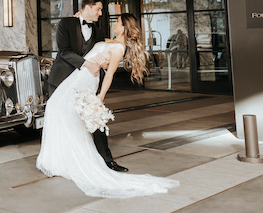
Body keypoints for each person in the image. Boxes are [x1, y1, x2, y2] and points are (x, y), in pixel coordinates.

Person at [37, 12, 180, 198]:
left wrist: (100, 97)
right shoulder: (111, 41)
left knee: (59, 109)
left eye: (118, 22)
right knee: (60, 111)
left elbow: (110, 74)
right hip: (77, 77)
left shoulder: (119, 48)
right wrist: (76, 19)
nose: (114, 24)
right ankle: (62, 158)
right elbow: (91, 42)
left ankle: (72, 160)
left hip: (86, 82)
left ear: (124, 27)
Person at [46, 0, 126, 172]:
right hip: (61, 80)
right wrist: (87, 64)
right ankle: (61, 162)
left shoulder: (96, 30)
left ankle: (106, 160)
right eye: (98, 9)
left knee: (94, 117)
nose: (100, 13)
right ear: (88, 7)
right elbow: (64, 51)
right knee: (62, 122)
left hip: (84, 83)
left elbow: (100, 53)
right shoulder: (66, 23)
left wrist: (104, 61)